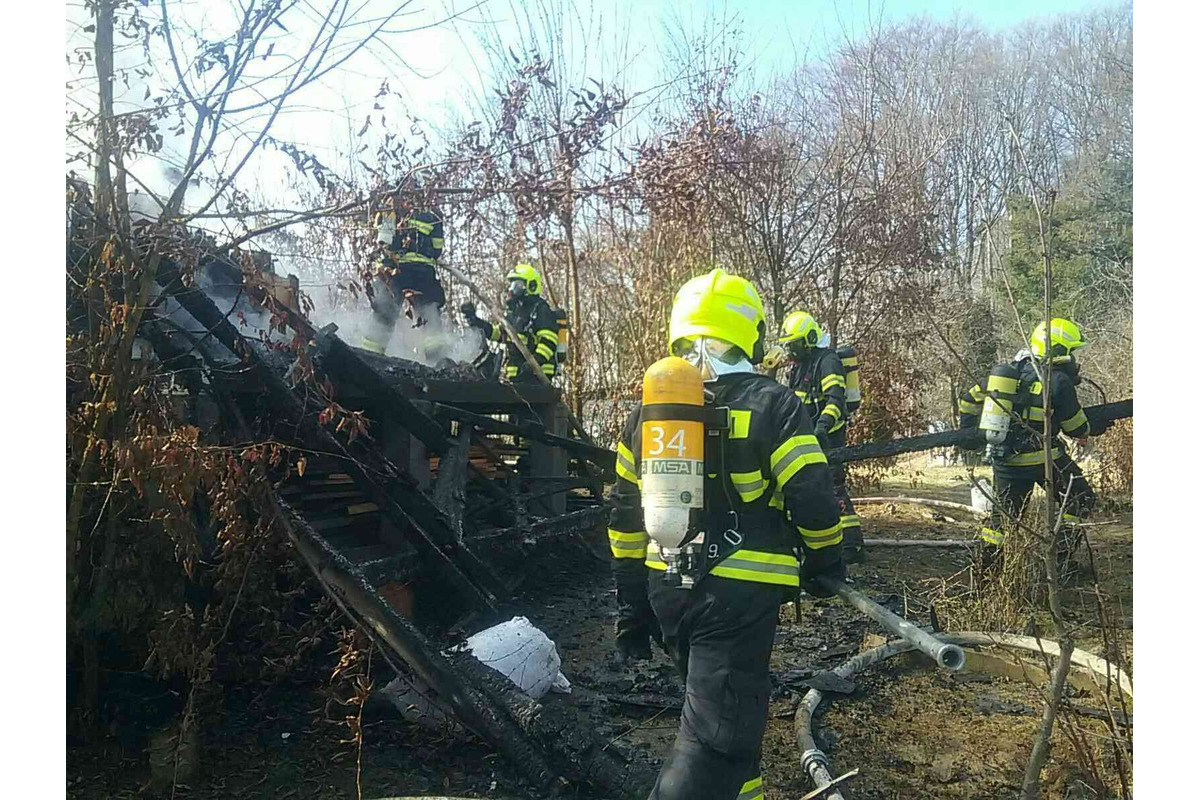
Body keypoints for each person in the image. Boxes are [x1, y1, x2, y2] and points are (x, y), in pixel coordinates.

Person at [607, 268, 846, 800]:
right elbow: (812, 497)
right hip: (739, 596)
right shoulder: (775, 404)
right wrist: (827, 560)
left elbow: (624, 516)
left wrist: (632, 607)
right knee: (711, 740)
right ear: (750, 333)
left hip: (667, 585)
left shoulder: (649, 414)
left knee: (727, 716)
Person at [957, 318, 1104, 574]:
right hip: (1045, 459)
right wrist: (1094, 427)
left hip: (1007, 462)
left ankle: (984, 574)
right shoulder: (1058, 381)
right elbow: (1076, 428)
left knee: (1001, 522)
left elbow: (968, 400)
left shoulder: (1008, 373)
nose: (1074, 359)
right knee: (1080, 499)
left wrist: (969, 432)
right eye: (1071, 352)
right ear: (1060, 351)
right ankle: (1060, 563)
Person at [762, 311, 865, 564]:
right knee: (810, 486)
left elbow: (835, 401)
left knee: (833, 485)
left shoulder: (827, 361)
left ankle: (852, 545)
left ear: (809, 338)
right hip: (805, 435)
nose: (791, 350)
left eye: (795, 344)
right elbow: (788, 399)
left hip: (828, 435)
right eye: (789, 345)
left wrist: (821, 428)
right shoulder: (800, 366)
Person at [361, 205, 447, 355]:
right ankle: (438, 363)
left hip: (393, 270)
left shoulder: (391, 208)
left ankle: (371, 355)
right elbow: (436, 250)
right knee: (429, 314)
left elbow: (384, 241)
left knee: (384, 312)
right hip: (422, 271)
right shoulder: (433, 215)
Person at [461, 263, 559, 383]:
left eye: (518, 285)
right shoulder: (514, 313)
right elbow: (498, 334)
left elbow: (549, 341)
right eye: (512, 285)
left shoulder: (540, 310)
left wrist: (534, 363)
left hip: (537, 377)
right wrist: (477, 322)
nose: (512, 289)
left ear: (531, 285)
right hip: (516, 378)